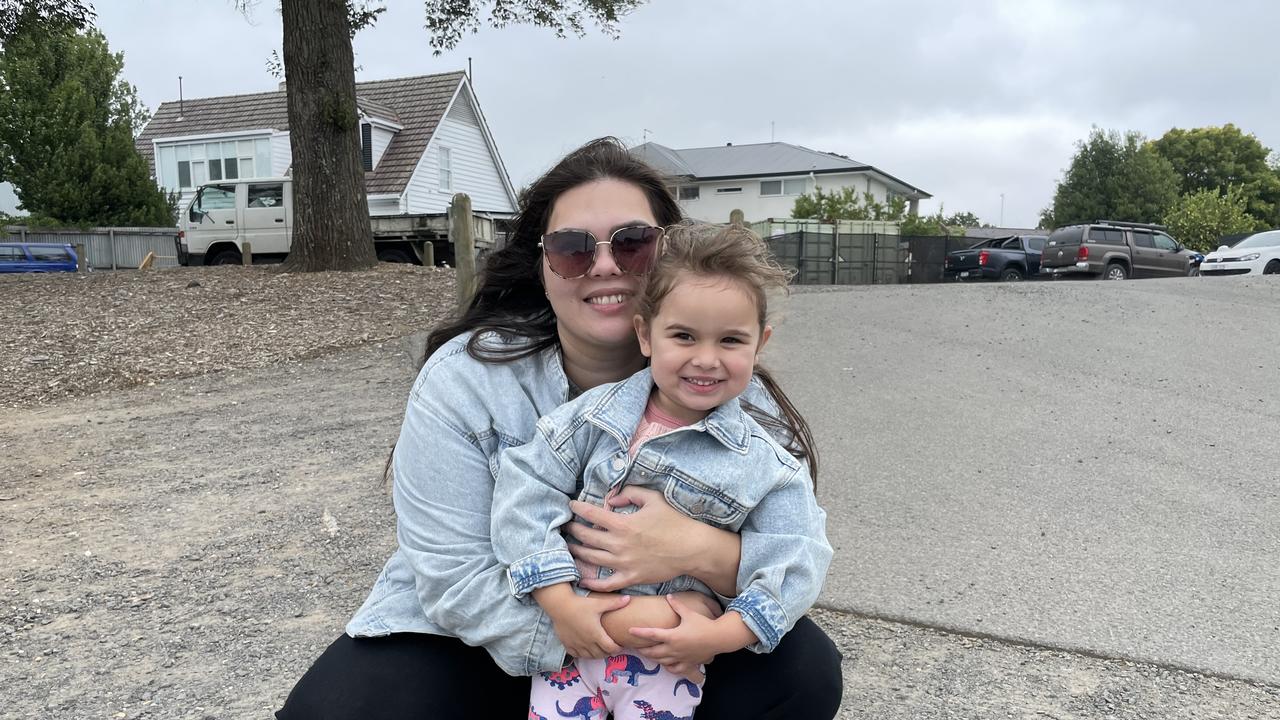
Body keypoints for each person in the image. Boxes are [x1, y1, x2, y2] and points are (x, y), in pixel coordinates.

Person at [276, 138, 842, 719]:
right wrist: (603, 626)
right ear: (542, 266)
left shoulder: (731, 392)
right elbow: (454, 578)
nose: (604, 265)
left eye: (634, 243)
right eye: (572, 249)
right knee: (335, 711)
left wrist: (695, 549)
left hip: (678, 643)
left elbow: (791, 550)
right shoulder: (466, 379)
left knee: (802, 670)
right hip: (494, 632)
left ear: (672, 258)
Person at [492, 221, 833, 720]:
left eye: (731, 341)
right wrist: (559, 602)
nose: (706, 359)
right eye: (684, 336)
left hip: (665, 660)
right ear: (645, 334)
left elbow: (796, 559)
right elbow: (526, 489)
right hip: (572, 644)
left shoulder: (769, 467)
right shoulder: (591, 418)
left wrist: (721, 635)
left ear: (759, 344)